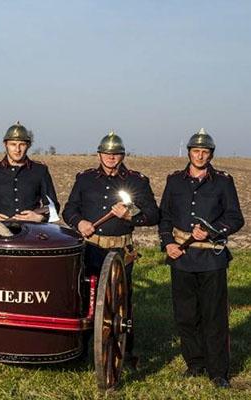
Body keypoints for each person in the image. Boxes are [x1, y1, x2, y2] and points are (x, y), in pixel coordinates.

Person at [62, 131, 159, 367]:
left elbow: (153, 215)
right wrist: (79, 223)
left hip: (121, 252)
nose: (111, 158)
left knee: (121, 302)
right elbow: (69, 210)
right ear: (99, 154)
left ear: (122, 155)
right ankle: (81, 352)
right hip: (92, 249)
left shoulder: (137, 181)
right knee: (87, 299)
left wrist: (130, 215)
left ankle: (124, 354)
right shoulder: (85, 179)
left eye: (116, 154)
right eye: (107, 153)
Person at [158, 128, 244, 389]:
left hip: (211, 259)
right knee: (186, 315)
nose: (200, 155)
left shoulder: (223, 182)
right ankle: (195, 364)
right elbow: (165, 217)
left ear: (211, 154)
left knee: (214, 316)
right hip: (182, 258)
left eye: (205, 152)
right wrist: (168, 243)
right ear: (189, 153)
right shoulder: (174, 181)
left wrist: (212, 230)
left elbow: (235, 218)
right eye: (196, 151)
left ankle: (218, 371)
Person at [0, 121, 59, 221]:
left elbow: (53, 205)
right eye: (13, 144)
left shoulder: (40, 171)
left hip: (32, 230)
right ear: (5, 144)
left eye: (22, 144)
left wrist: (40, 217)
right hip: (0, 231)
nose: (17, 149)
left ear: (28, 145)